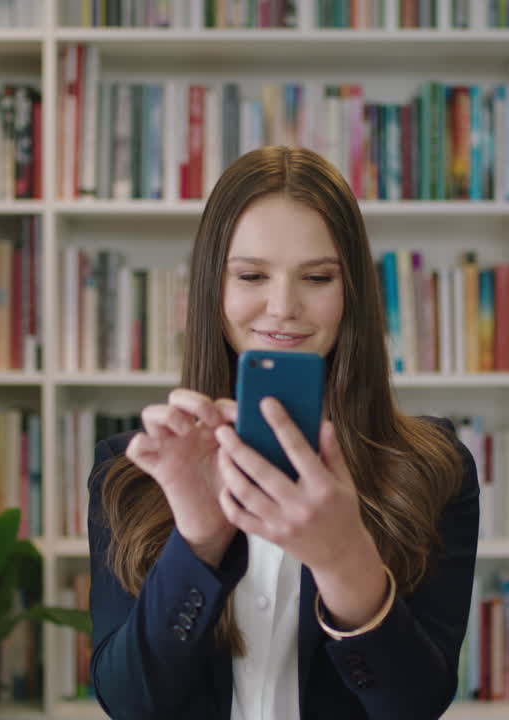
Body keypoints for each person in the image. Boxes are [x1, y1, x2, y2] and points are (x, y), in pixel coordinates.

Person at [87, 145, 481, 720]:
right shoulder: (133, 470)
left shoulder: (432, 468)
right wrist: (197, 540)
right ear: (212, 290)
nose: (282, 307)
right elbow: (128, 703)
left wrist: (345, 559)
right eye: (251, 275)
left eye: (317, 277)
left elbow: (414, 706)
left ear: (353, 295)